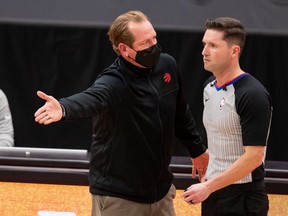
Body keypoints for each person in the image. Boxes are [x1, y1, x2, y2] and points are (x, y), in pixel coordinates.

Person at [34, 10, 209, 216]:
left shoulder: (167, 64)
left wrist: (197, 150)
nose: (154, 46)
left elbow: (181, 113)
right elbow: (91, 98)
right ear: (125, 49)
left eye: (154, 37)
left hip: (161, 193)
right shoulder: (114, 82)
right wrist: (63, 108)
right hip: (119, 197)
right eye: (145, 43)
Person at [181, 17, 272, 215]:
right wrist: (205, 157)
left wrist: (208, 186)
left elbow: (255, 157)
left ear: (234, 51)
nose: (204, 52)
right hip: (214, 193)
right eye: (204, 44)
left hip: (243, 198)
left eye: (213, 46)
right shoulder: (209, 87)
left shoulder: (252, 94)